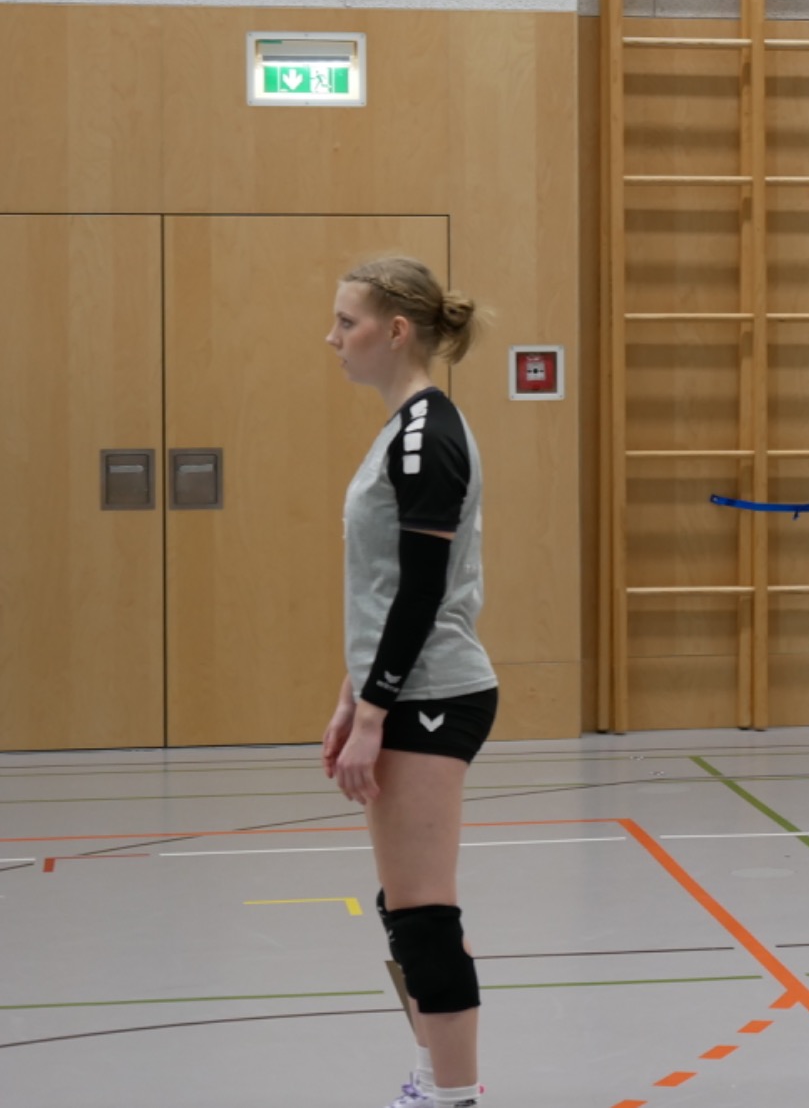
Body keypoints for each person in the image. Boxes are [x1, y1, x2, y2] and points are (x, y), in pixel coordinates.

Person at [322, 258, 496, 1108]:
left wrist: (374, 712)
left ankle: (452, 1096)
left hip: (432, 693)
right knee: (403, 909)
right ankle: (432, 1084)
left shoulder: (430, 432)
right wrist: (352, 694)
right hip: (401, 688)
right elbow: (382, 586)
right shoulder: (402, 429)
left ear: (395, 331)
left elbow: (423, 592)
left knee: (425, 914)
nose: (332, 338)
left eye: (345, 321)